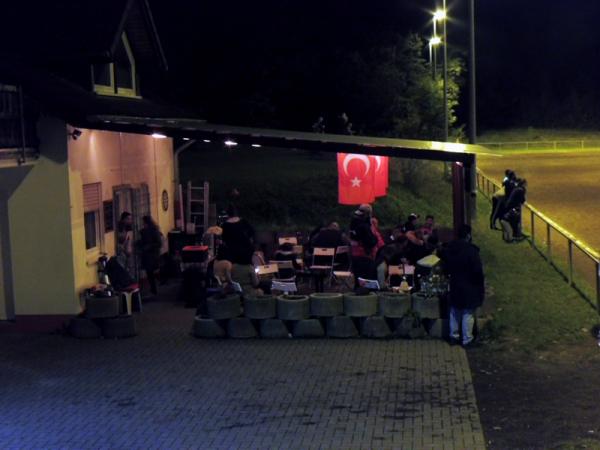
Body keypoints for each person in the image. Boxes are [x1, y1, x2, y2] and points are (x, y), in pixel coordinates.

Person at [439, 224, 485, 347]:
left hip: (455, 283)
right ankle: (467, 339)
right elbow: (477, 271)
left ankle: (453, 336)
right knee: (467, 312)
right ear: (468, 235)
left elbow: (445, 267)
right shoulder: (471, 251)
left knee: (454, 310)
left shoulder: (451, 249)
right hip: (469, 285)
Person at [139, 215, 163, 296]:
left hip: (151, 254)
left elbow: (158, 243)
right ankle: (154, 288)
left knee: (151, 272)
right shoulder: (148, 230)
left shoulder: (153, 230)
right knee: (150, 272)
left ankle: (154, 288)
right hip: (149, 255)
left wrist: (148, 246)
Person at [501, 178, 527, 242]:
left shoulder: (516, 188)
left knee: (510, 222)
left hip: (508, 207)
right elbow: (523, 200)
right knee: (515, 220)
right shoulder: (521, 189)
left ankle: (512, 236)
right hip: (513, 207)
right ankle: (515, 236)